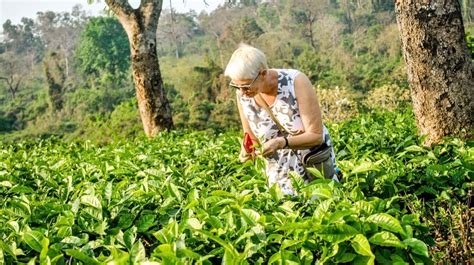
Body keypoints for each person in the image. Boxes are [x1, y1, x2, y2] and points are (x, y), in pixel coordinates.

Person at [224, 43, 338, 195]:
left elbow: (316, 136)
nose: (242, 93)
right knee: (287, 213)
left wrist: (280, 142)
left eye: (246, 86)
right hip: (279, 174)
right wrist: (246, 152)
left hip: (313, 164)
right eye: (237, 87)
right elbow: (250, 138)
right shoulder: (243, 95)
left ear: (263, 73)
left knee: (323, 208)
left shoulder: (296, 82)